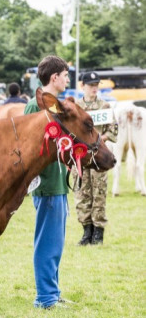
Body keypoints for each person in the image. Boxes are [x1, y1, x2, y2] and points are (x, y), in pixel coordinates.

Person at [24, 55, 71, 309]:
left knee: (55, 242)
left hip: (58, 182)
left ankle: (52, 291)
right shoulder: (35, 106)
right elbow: (30, 148)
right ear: (54, 77)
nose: (67, 79)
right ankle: (45, 297)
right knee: (47, 242)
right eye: (65, 75)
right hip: (46, 184)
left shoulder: (54, 106)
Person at [73, 72, 118, 245]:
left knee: (99, 192)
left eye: (96, 85)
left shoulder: (104, 105)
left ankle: (98, 233)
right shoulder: (76, 108)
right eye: (90, 85)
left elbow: (112, 129)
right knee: (82, 191)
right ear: (82, 86)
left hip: (99, 158)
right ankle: (86, 231)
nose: (94, 88)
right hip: (81, 156)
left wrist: (100, 140)